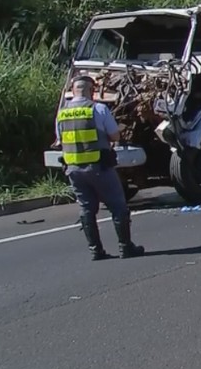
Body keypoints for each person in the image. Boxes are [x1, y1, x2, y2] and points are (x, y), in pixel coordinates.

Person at [56, 75, 145, 260]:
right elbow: (114, 136)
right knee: (118, 206)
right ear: (92, 90)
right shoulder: (98, 109)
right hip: (99, 167)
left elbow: (60, 140)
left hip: (73, 170)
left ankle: (95, 250)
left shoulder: (62, 113)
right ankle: (125, 247)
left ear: (73, 90)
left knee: (86, 209)